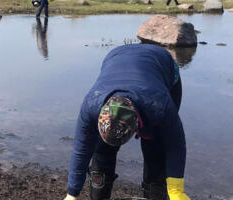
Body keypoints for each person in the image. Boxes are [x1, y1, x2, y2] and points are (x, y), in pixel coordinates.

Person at [64, 44, 190, 200]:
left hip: (161, 64)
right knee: (102, 149)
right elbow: (81, 149)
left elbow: (175, 146)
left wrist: (176, 190)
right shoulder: (91, 106)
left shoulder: (160, 106)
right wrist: (72, 193)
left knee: (155, 147)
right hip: (116, 58)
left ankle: (154, 194)